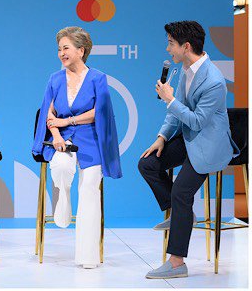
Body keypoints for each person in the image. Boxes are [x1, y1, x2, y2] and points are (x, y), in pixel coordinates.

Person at [138, 21, 239, 279]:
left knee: (182, 192)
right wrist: (162, 137)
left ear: (186, 46)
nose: (168, 49)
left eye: (171, 43)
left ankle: (176, 264)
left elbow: (196, 120)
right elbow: (177, 113)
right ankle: (181, 214)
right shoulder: (186, 70)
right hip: (190, 139)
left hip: (210, 146)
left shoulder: (214, 81)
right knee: (148, 163)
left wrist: (170, 99)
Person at [32, 26, 122, 269]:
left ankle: (87, 256)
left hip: (91, 139)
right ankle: (63, 196)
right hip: (62, 138)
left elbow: (99, 112)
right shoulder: (54, 79)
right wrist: (55, 134)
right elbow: (48, 112)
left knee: (90, 186)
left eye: (66, 48)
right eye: (59, 49)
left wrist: (68, 121)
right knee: (61, 166)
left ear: (81, 51)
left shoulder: (97, 78)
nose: (61, 53)